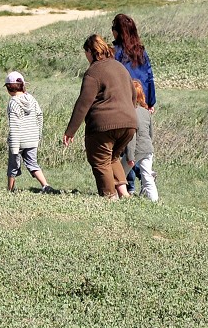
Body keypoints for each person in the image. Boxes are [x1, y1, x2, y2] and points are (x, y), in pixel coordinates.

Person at [61, 35, 138, 198]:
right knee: (112, 157)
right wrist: (129, 116)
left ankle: (109, 198)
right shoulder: (120, 67)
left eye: (86, 52)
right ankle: (124, 194)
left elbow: (84, 103)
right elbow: (133, 95)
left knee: (100, 160)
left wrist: (70, 131)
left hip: (104, 125)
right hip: (130, 124)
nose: (86, 56)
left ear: (91, 51)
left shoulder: (93, 71)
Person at [4, 71, 55, 193]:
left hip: (19, 140)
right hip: (32, 138)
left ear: (9, 87)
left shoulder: (13, 103)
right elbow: (39, 116)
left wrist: (14, 147)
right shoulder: (32, 99)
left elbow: (15, 126)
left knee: (13, 166)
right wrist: (38, 134)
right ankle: (45, 185)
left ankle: (10, 189)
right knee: (32, 163)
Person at [122, 80, 159, 202]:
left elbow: (131, 136)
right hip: (148, 148)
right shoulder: (146, 112)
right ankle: (154, 200)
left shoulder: (130, 112)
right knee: (147, 176)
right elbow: (151, 134)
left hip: (136, 149)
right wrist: (148, 146)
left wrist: (130, 157)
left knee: (119, 174)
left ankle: (114, 196)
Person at [112, 13, 156, 111]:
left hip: (123, 103)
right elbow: (149, 78)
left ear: (118, 32)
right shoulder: (141, 51)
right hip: (142, 100)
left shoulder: (114, 53)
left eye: (113, 28)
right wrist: (150, 102)